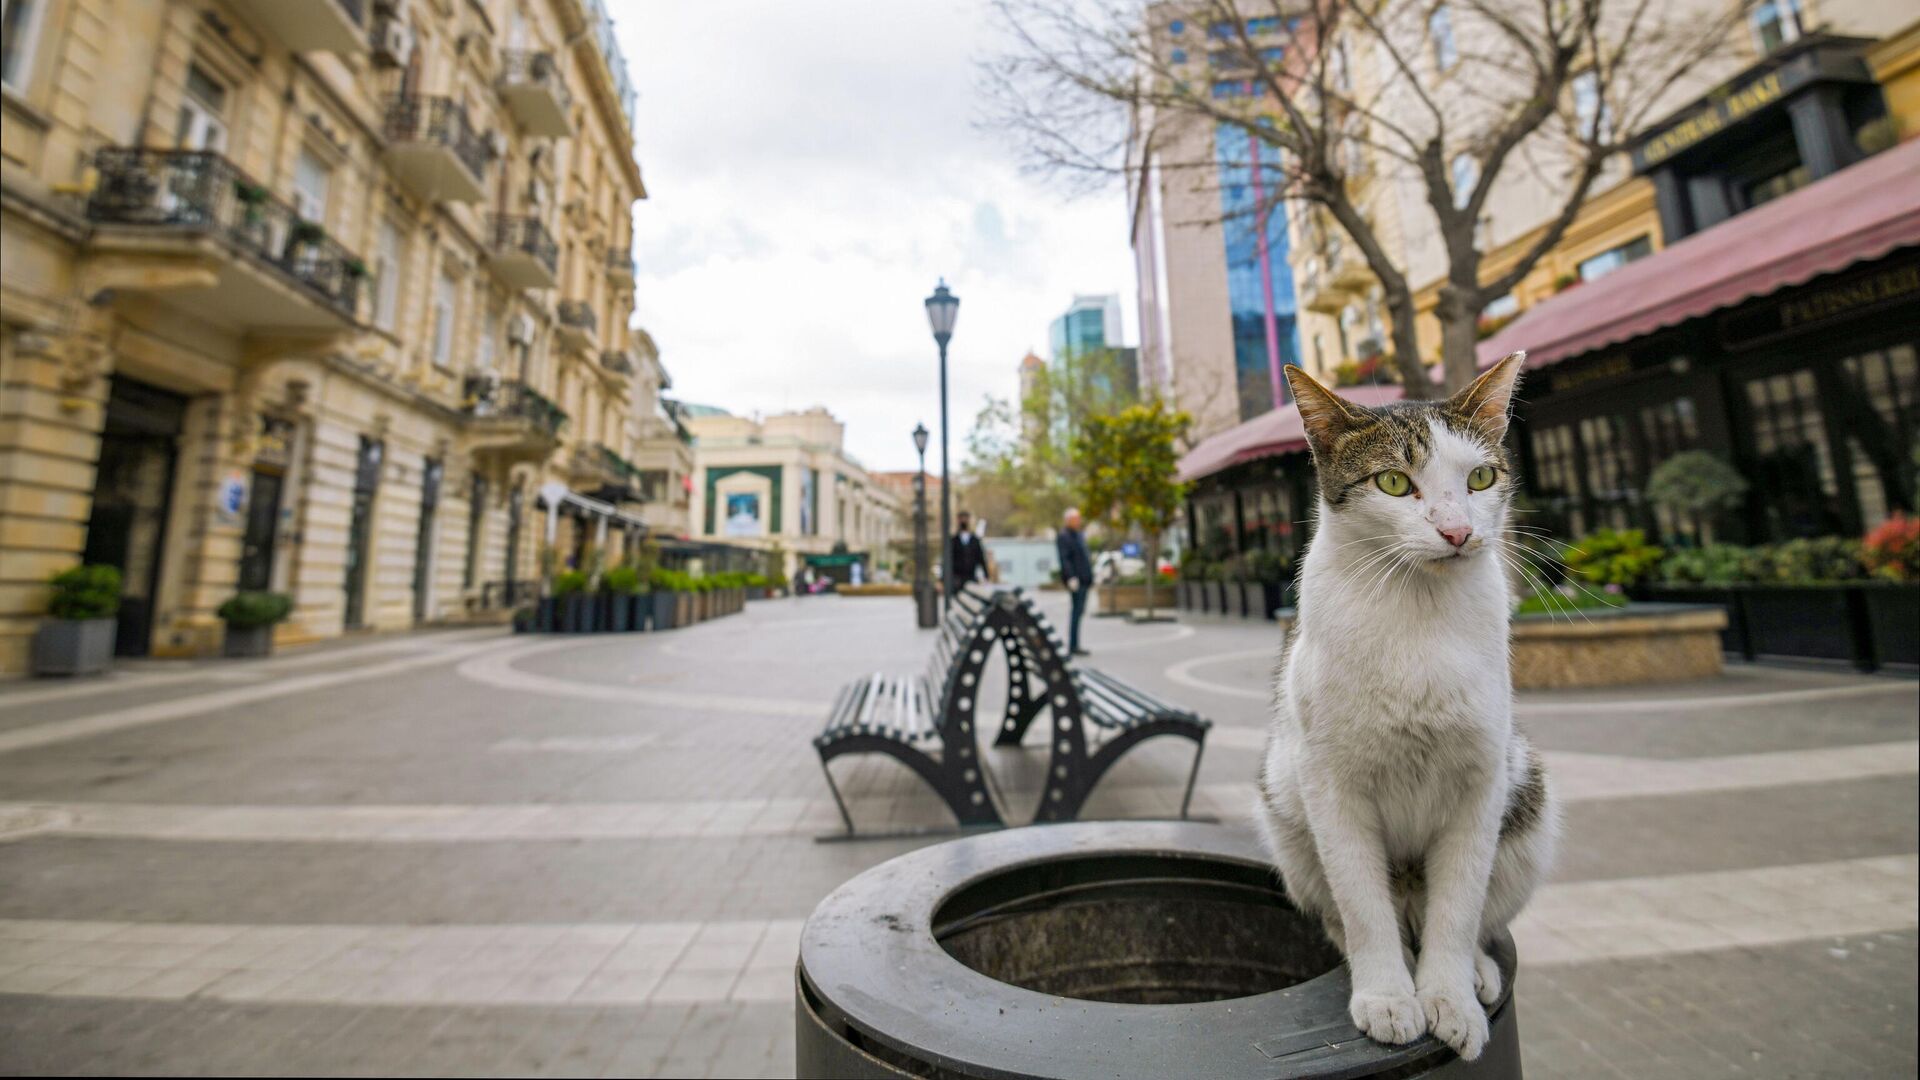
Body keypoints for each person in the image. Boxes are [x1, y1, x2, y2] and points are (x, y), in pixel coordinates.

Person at [1056, 507, 1093, 657]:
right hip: (1076, 580)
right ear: (1069, 520)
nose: (1079, 521)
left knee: (1080, 611)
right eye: (1076, 518)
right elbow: (1065, 559)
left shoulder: (1078, 535)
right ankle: (1073, 645)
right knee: (1076, 612)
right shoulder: (1064, 536)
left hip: (1084, 579)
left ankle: (1075, 644)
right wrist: (1071, 577)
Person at [947, 510, 987, 596]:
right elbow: (947, 560)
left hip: (971, 577)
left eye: (966, 518)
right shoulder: (953, 541)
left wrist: (986, 575)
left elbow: (981, 558)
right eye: (962, 519)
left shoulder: (975, 540)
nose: (964, 521)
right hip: (956, 578)